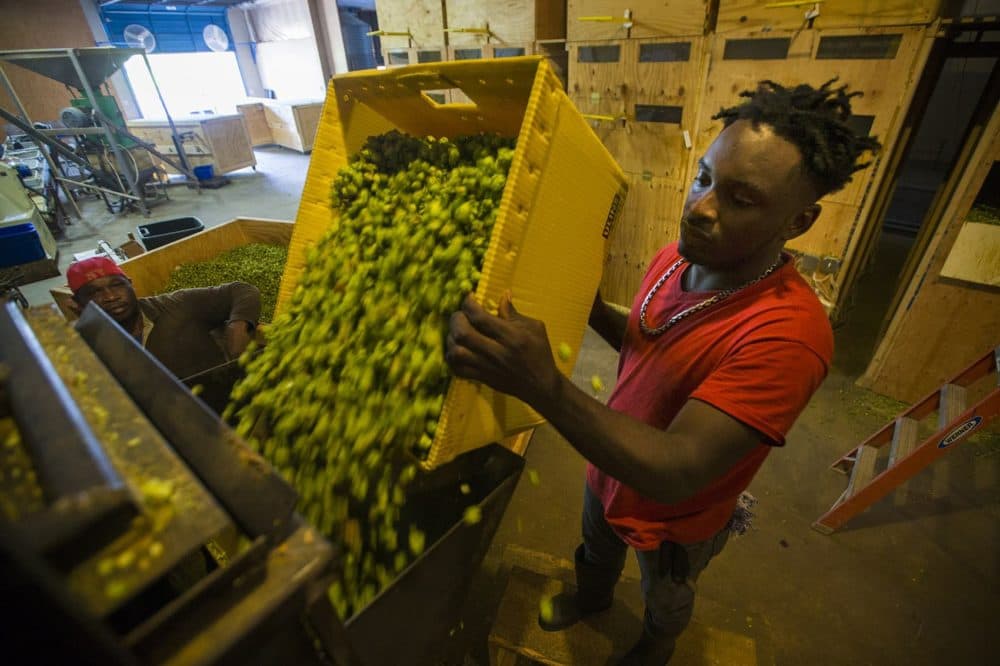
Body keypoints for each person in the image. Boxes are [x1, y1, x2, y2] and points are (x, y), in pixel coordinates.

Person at [445, 79, 881, 664]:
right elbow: (647, 339)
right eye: (703, 178)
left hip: (677, 519)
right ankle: (592, 597)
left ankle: (655, 644)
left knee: (666, 591)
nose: (700, 208)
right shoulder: (678, 258)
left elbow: (678, 471)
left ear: (799, 221)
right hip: (609, 465)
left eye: (740, 199)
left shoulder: (790, 336)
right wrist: (588, 306)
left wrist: (542, 384)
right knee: (595, 548)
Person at [67, 256, 260, 380]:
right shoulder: (86, 348)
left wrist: (238, 327)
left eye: (117, 285)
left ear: (131, 285)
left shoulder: (176, 306)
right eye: (94, 292)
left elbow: (243, 290)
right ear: (77, 305)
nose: (111, 296)